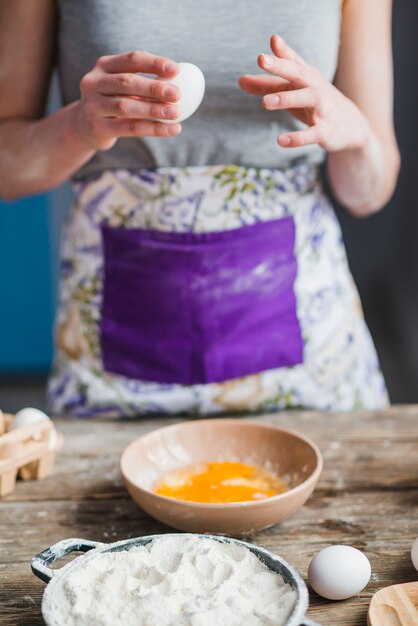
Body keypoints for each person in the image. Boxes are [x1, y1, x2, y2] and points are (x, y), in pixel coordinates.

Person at [0, 1, 400, 417]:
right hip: (110, 375)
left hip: (313, 366)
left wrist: (355, 135)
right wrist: (79, 126)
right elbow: (7, 171)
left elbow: (369, 191)